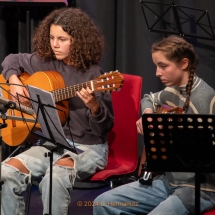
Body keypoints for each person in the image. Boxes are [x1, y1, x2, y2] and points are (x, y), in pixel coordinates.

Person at [1, 7, 114, 215]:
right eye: (52, 37)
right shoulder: (45, 63)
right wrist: (15, 81)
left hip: (89, 148)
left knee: (56, 176)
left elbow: (102, 130)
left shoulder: (94, 75)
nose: (54, 44)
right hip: (52, 143)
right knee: (6, 171)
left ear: (77, 40)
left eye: (62, 39)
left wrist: (94, 106)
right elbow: (11, 60)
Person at [93, 35, 215, 215]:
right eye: (156, 66)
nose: (157, 73)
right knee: (102, 202)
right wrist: (147, 114)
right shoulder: (172, 91)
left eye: (163, 66)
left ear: (183, 64)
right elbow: (148, 98)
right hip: (169, 182)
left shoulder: (206, 98)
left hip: (200, 189)